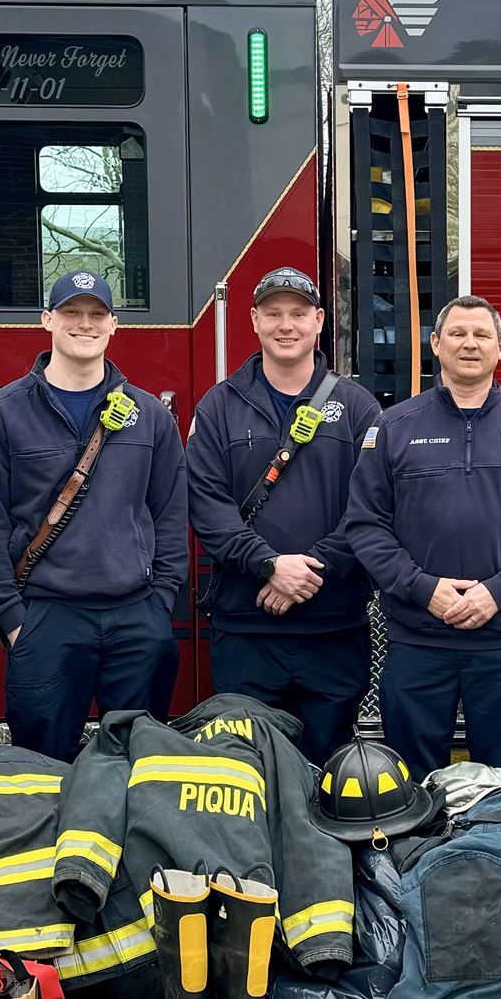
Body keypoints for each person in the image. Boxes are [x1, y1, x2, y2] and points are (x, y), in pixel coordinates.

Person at [340, 294, 501, 778]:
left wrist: (499, 590)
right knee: (412, 787)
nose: (470, 344)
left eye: (482, 335)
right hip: (418, 642)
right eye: (458, 334)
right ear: (435, 344)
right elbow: (365, 525)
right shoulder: (393, 427)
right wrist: (424, 589)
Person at [0, 270, 188, 764]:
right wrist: (13, 619)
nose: (83, 325)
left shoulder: (148, 415)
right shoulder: (4, 412)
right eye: (71, 313)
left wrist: (159, 605)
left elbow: (170, 515)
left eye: (95, 315)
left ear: (113, 326)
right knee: (43, 768)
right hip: (46, 618)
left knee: (139, 767)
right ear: (48, 320)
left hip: (136, 618)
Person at [184, 267, 385, 765]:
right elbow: (206, 505)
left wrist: (309, 569)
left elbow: (374, 506)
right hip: (246, 632)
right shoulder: (219, 406)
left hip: (333, 631)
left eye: (298, 313)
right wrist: (270, 565)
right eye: (273, 313)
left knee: (330, 771)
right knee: (246, 771)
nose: (286, 325)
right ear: (253, 320)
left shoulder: (357, 406)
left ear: (319, 322)